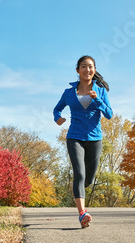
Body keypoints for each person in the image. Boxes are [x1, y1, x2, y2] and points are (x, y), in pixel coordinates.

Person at [53, 55, 113, 228]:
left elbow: (109, 114)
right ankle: (82, 213)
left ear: (94, 70)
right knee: (79, 174)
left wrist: (98, 100)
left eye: (91, 66)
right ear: (78, 70)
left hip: (95, 138)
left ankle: (78, 191)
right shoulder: (69, 93)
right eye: (84, 67)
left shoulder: (100, 91)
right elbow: (57, 108)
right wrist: (58, 117)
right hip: (75, 137)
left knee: (88, 179)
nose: (88, 70)